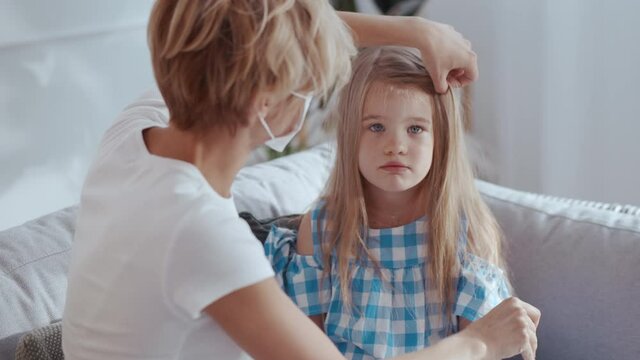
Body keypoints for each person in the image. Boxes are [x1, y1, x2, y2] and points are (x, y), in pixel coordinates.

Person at [61, 1, 539, 359]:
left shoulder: (133, 130)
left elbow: (240, 23)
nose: (315, 90)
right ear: (264, 105)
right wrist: (478, 341)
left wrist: (413, 32)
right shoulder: (202, 234)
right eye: (309, 83)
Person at [265, 46, 538, 359]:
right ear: (350, 134)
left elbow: (482, 346)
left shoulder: (465, 230)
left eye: (415, 129)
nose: (396, 146)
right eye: (376, 127)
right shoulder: (320, 230)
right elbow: (303, 346)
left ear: (442, 139)